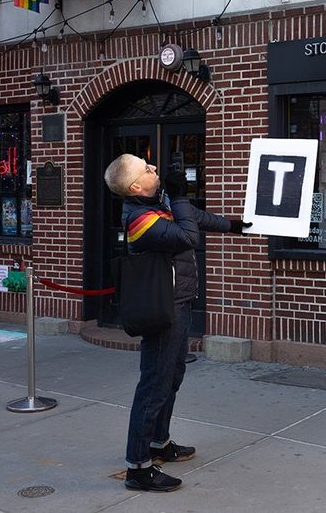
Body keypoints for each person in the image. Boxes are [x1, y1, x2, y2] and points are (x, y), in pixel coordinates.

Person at [103, 153, 250, 492]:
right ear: (135, 185)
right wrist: (181, 195)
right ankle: (138, 467)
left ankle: (159, 443)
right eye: (145, 167)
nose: (153, 166)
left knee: (172, 376)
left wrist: (236, 226)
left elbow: (194, 218)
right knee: (155, 382)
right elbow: (187, 236)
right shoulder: (140, 218)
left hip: (179, 302)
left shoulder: (158, 202)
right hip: (163, 309)